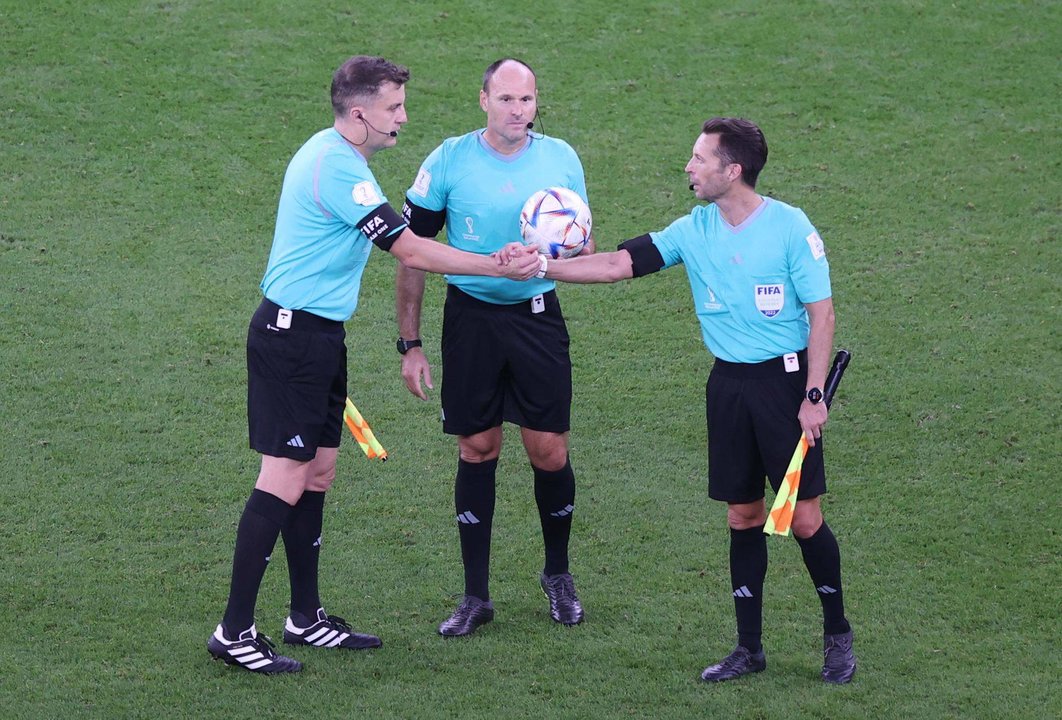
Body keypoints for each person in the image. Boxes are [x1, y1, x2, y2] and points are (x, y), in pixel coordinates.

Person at [206, 55, 540, 675]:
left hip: (320, 338)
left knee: (319, 473)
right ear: (359, 113)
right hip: (291, 341)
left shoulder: (340, 155)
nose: (403, 118)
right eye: (394, 108)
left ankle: (303, 618)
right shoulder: (336, 167)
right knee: (280, 478)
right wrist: (496, 263)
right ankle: (233, 631)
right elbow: (406, 247)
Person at [534, 117, 857, 683]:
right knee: (743, 514)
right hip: (728, 388)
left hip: (785, 389)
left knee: (805, 519)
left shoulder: (789, 227)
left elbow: (821, 313)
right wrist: (542, 267)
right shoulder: (694, 228)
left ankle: (837, 635)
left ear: (732, 171)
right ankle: (748, 648)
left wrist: (813, 394)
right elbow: (617, 264)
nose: (689, 167)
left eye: (699, 158)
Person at [396, 58, 595, 636]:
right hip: (471, 321)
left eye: (527, 101)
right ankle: (475, 595)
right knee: (477, 447)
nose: (518, 112)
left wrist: (550, 257)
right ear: (483, 99)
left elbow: (583, 244)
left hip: (536, 318)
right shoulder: (449, 161)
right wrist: (410, 342)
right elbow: (411, 251)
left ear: (537, 104)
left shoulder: (561, 159)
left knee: (549, 450)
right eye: (506, 100)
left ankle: (557, 574)